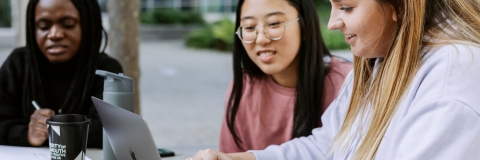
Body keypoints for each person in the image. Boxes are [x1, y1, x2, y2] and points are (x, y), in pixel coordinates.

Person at [191, 0, 480, 159]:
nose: (331, 23)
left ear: (400, 6)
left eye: (347, 7)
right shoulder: (377, 61)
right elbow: (327, 147)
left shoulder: (451, 78)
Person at [219, 0, 352, 152]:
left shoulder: (346, 83)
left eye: (274, 24)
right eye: (249, 27)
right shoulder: (243, 86)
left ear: (305, 25)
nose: (261, 39)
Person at [0, 0, 123, 148]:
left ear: (88, 25)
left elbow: (114, 130)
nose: (55, 34)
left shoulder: (107, 70)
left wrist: (55, 130)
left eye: (68, 24)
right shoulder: (18, 64)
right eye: (44, 26)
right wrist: (26, 134)